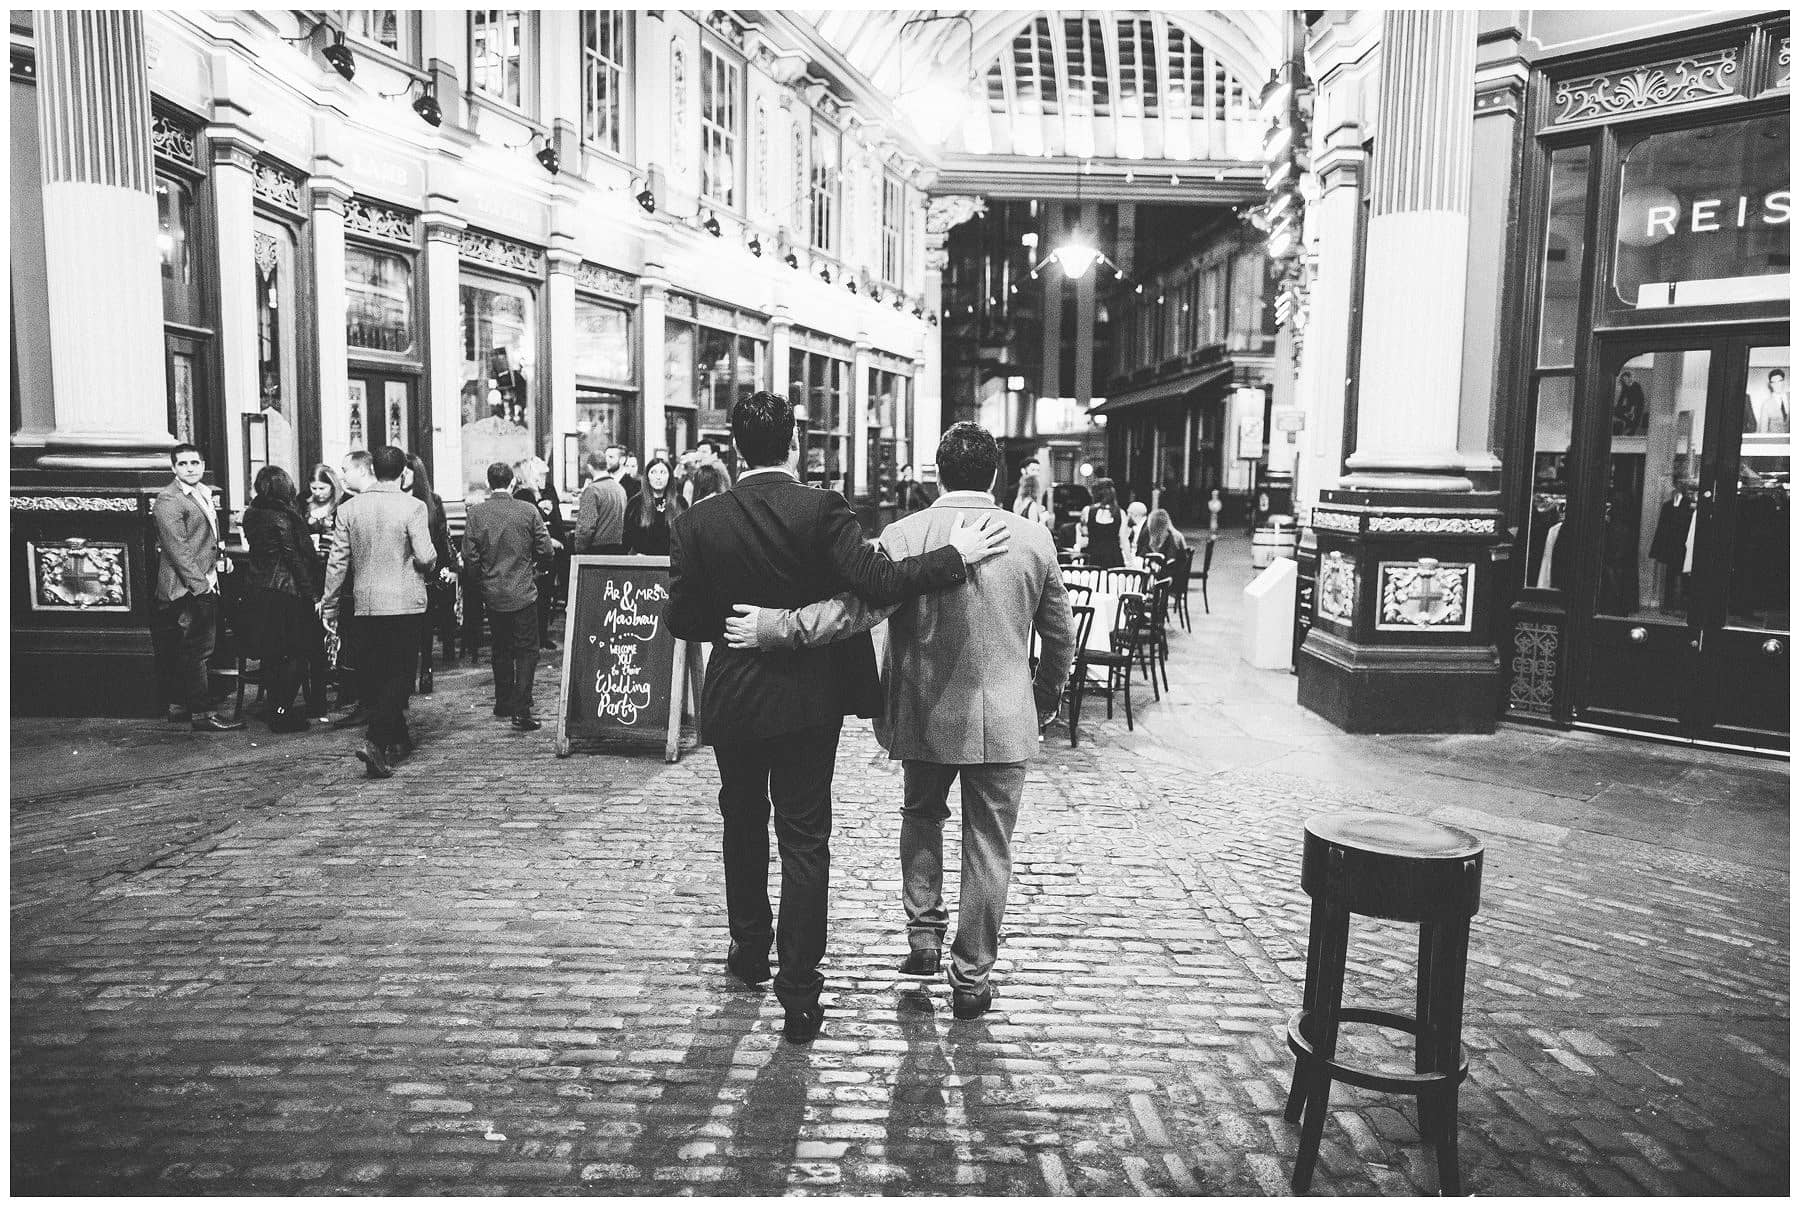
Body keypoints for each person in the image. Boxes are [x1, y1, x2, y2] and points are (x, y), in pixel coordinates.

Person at [667, 390, 1012, 1045]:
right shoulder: (819, 508)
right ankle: (799, 992)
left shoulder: (697, 523)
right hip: (806, 701)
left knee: (741, 823)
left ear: (735, 447)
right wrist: (953, 556)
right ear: (792, 445)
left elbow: (683, 620)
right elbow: (877, 584)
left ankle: (747, 951)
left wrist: (737, 625)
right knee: (804, 838)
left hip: (735, 699)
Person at [722, 422, 1076, 1022]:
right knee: (989, 845)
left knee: (921, 817)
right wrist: (1041, 700)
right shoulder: (1032, 539)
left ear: (939, 472)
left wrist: (776, 628)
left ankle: (923, 936)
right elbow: (1059, 636)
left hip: (926, 710)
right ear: (995, 476)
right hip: (1006, 717)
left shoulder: (905, 535)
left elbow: (853, 612)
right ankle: (972, 977)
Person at [320, 444, 437, 779]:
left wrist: (328, 604)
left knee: (376, 672)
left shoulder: (349, 509)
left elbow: (337, 562)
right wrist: (418, 562)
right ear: (402, 473)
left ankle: (398, 737)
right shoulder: (412, 506)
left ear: (372, 469)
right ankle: (376, 741)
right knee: (400, 675)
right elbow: (427, 556)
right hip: (404, 601)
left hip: (366, 602)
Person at [151, 443, 245, 731]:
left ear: (203, 465)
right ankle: (202, 715)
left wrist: (220, 560)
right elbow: (178, 550)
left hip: (204, 580)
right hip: (187, 588)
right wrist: (201, 587)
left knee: (195, 648)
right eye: (183, 464)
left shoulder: (203, 492)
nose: (190, 468)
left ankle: (185, 707)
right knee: (198, 650)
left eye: (195, 462)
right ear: (173, 468)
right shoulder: (169, 500)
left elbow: (207, 539)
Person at [464, 461, 556, 731]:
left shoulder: (477, 513)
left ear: (489, 484)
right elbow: (546, 549)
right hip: (523, 590)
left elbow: (470, 557)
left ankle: (503, 701)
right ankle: (522, 707)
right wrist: (538, 570)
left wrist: (481, 582)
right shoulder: (527, 510)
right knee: (527, 650)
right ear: (513, 483)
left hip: (493, 593)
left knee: (500, 648)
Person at [239, 465, 324, 733]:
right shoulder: (284, 517)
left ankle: (274, 706)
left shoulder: (251, 514)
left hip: (259, 590)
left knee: (272, 654)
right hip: (286, 592)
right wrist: (311, 594)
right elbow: (294, 557)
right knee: (299, 652)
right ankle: (281, 711)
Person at [404, 453, 459, 694]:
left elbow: (441, 537)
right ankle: (406, 676)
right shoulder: (394, 500)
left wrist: (448, 567)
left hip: (427, 571)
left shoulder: (432, 501)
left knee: (425, 626)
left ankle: (426, 668)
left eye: (406, 473)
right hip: (401, 571)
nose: (402, 477)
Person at [512, 455, 568, 650]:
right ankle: (531, 637)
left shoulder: (548, 490)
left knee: (545, 593)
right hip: (533, 550)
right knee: (533, 594)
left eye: (544, 475)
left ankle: (542, 635)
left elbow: (556, 517)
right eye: (538, 474)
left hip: (549, 549)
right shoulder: (522, 495)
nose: (541, 479)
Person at [624, 456, 685, 555]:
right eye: (653, 472)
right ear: (647, 476)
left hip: (672, 563)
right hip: (643, 562)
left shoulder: (680, 502)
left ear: (670, 476)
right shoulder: (635, 503)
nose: (658, 477)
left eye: (663, 472)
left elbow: (685, 538)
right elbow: (627, 538)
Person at [574, 449, 629, 554]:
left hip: (597, 551)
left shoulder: (592, 490)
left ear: (590, 467)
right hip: (619, 550)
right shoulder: (620, 488)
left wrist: (579, 550)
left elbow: (586, 528)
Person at [1078, 478, 1125, 567]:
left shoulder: (1087, 511)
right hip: (1114, 558)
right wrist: (1130, 563)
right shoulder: (1120, 513)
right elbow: (1124, 540)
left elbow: (1084, 535)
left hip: (1093, 557)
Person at [305, 464, 344, 555]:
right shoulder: (302, 502)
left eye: (322, 488)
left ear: (333, 486)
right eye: (314, 488)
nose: (317, 493)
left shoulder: (344, 503)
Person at [1121, 500, 1149, 569]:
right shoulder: (1135, 528)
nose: (1127, 517)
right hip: (1133, 561)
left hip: (1140, 564)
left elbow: (1146, 550)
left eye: (1128, 513)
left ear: (1135, 515)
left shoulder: (1148, 528)